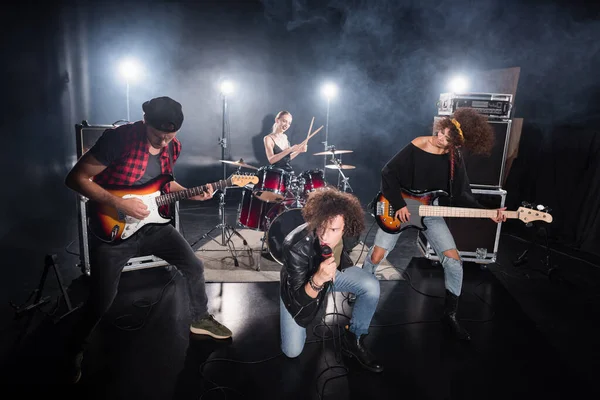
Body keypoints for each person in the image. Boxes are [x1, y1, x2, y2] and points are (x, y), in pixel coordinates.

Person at [64, 96, 232, 383]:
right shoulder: (119, 140)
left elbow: (165, 184)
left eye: (171, 135)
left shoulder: (173, 146)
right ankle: (73, 348)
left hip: (153, 226)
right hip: (113, 228)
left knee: (194, 266)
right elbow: (76, 179)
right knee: (102, 299)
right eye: (158, 135)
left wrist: (191, 192)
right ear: (145, 121)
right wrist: (119, 204)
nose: (164, 141)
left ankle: (199, 319)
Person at [362, 107, 506, 341]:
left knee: (454, 262)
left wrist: (487, 212)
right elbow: (388, 173)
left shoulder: (453, 158)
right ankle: (362, 294)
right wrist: (398, 204)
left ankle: (450, 315)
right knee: (377, 256)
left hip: (429, 211)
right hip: (399, 208)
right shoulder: (418, 144)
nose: (440, 137)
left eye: (447, 138)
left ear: (456, 144)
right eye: (442, 131)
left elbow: (462, 195)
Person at [279, 188, 383, 372]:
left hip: (333, 273)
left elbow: (345, 250)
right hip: (300, 286)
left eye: (334, 229)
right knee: (292, 351)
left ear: (345, 228)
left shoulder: (351, 233)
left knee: (371, 285)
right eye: (321, 227)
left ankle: (354, 338)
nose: (325, 236)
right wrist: (318, 280)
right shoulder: (295, 246)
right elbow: (299, 301)